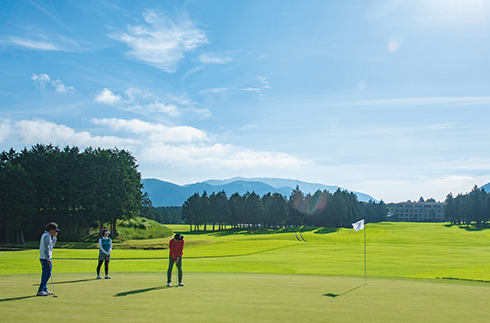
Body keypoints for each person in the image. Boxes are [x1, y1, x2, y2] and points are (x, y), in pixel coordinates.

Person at [37, 222, 59, 296]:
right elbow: (46, 248)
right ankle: (40, 290)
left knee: (45, 274)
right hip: (45, 258)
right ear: (51, 230)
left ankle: (44, 289)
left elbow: (51, 245)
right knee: (47, 274)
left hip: (45, 258)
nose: (55, 232)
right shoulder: (46, 236)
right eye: (54, 230)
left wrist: (55, 238)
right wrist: (48, 258)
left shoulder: (48, 236)